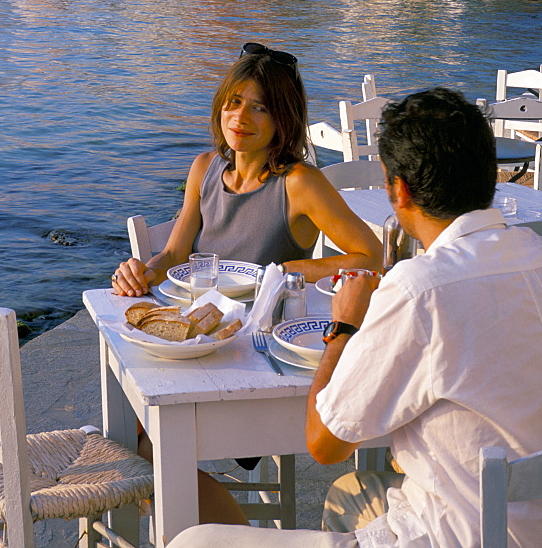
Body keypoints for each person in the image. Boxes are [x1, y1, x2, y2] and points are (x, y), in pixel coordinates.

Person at [168, 88, 542, 548]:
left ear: (397, 190)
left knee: (195, 542)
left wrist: (343, 328)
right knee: (351, 494)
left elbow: (325, 444)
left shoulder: (418, 290)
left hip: (456, 534)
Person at [111, 44, 383, 298]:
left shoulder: (300, 182)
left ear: (283, 119)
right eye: (235, 101)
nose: (240, 118)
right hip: (202, 321)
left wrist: (279, 273)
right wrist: (142, 273)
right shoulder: (204, 168)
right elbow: (174, 254)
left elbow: (371, 257)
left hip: (262, 332)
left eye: (260, 108)